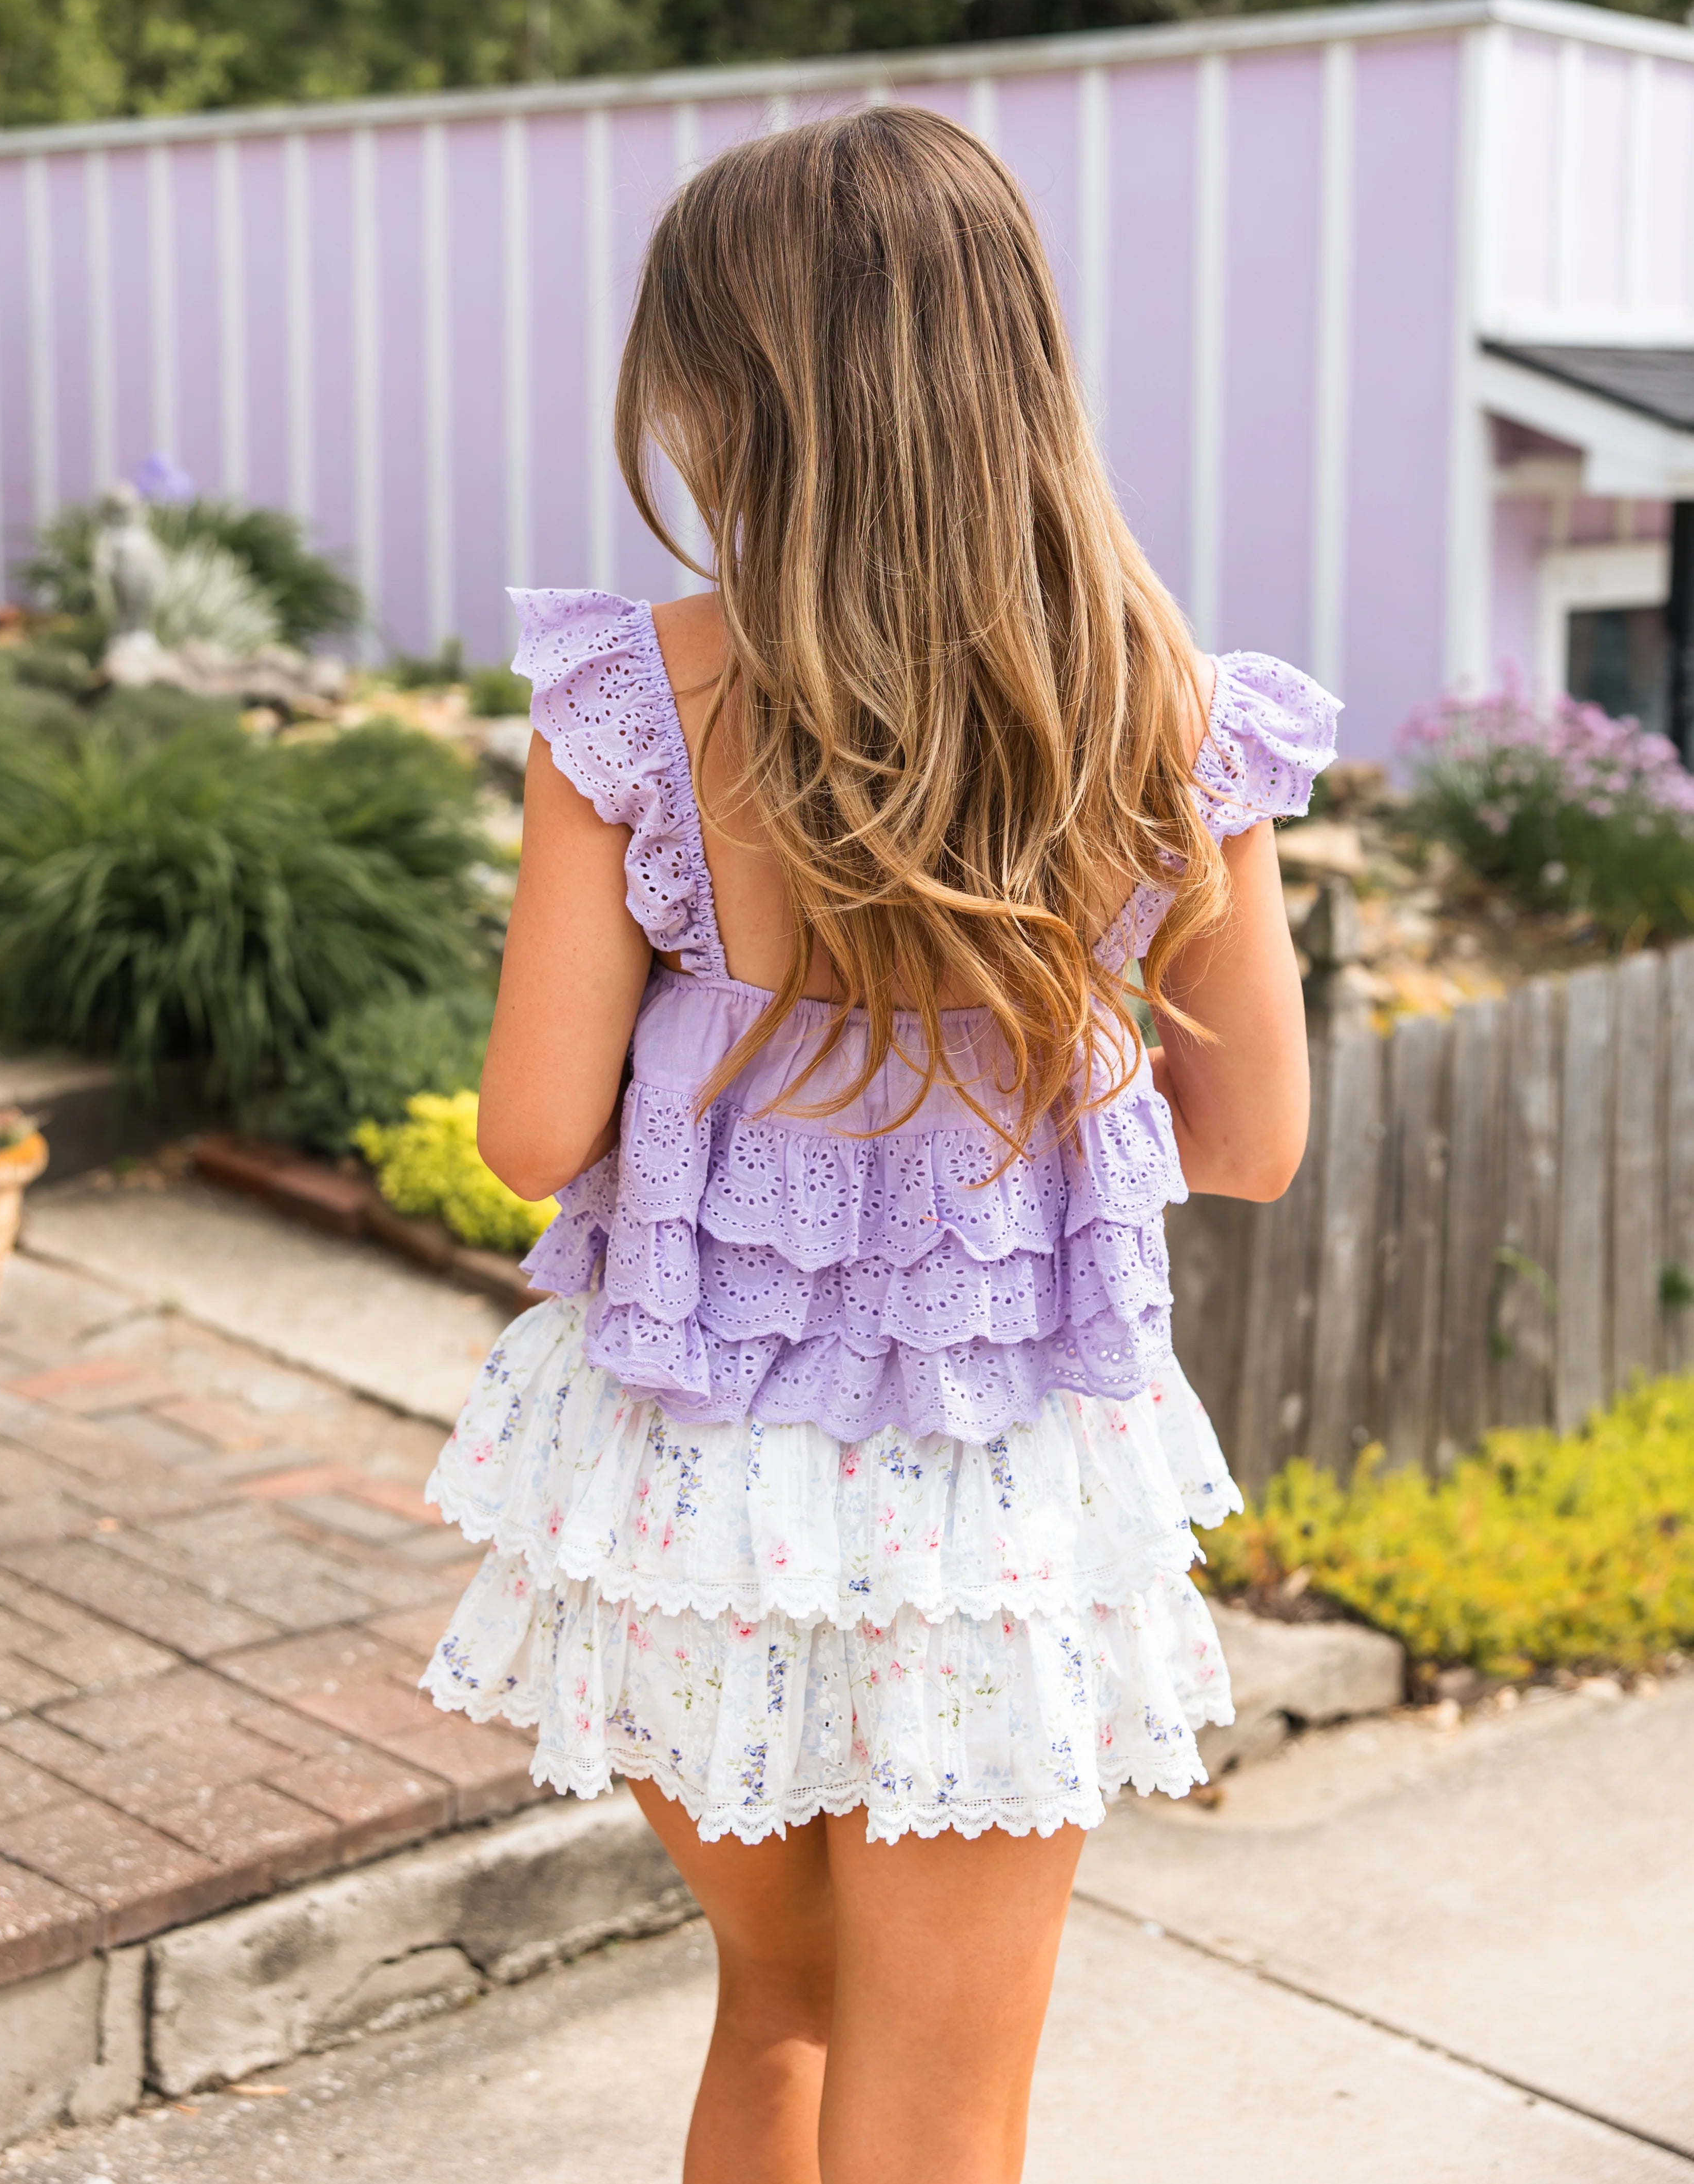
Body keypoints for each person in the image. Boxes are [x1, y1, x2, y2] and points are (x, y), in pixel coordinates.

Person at [421, 106, 1337, 2184]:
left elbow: (526, 1132)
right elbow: (1259, 1141)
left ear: (724, 398)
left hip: (694, 1484)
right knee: (943, 2109)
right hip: (999, 1507)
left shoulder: (632, 704)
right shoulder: (1165, 717)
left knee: (778, 2010)